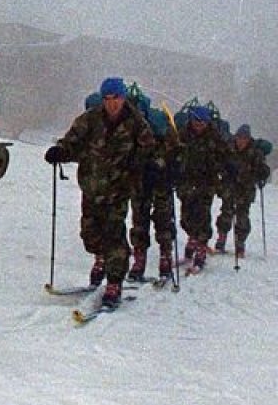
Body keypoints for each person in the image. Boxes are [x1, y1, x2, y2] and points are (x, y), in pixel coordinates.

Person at [44, 77, 154, 307]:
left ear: (123, 98)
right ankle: (100, 258)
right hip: (92, 187)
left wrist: (149, 168)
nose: (112, 104)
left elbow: (149, 151)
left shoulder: (136, 123)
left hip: (119, 189)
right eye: (108, 99)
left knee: (114, 234)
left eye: (116, 99)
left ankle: (115, 281)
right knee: (90, 234)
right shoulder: (89, 119)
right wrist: (59, 152)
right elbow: (72, 142)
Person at [128, 107, 179, 282]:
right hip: (149, 180)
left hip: (152, 180)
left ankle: (141, 261)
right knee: (158, 219)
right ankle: (164, 258)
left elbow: (173, 152)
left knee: (144, 220)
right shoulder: (160, 126)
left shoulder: (138, 125)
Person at [174, 105, 227, 273]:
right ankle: (192, 239)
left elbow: (225, 155)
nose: (199, 124)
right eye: (197, 121)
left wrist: (228, 167)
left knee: (202, 216)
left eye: (203, 122)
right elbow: (172, 151)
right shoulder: (182, 134)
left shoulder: (214, 137)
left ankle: (201, 250)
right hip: (186, 182)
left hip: (206, 183)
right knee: (186, 217)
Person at [213, 124, 270, 257]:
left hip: (246, 189)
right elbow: (219, 163)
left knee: (242, 216)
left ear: (248, 139)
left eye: (244, 138)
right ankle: (221, 240)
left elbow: (263, 169)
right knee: (226, 213)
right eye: (239, 137)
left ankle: (240, 243)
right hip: (229, 187)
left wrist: (261, 176)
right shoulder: (229, 149)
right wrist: (225, 171)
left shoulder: (255, 152)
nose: (241, 141)